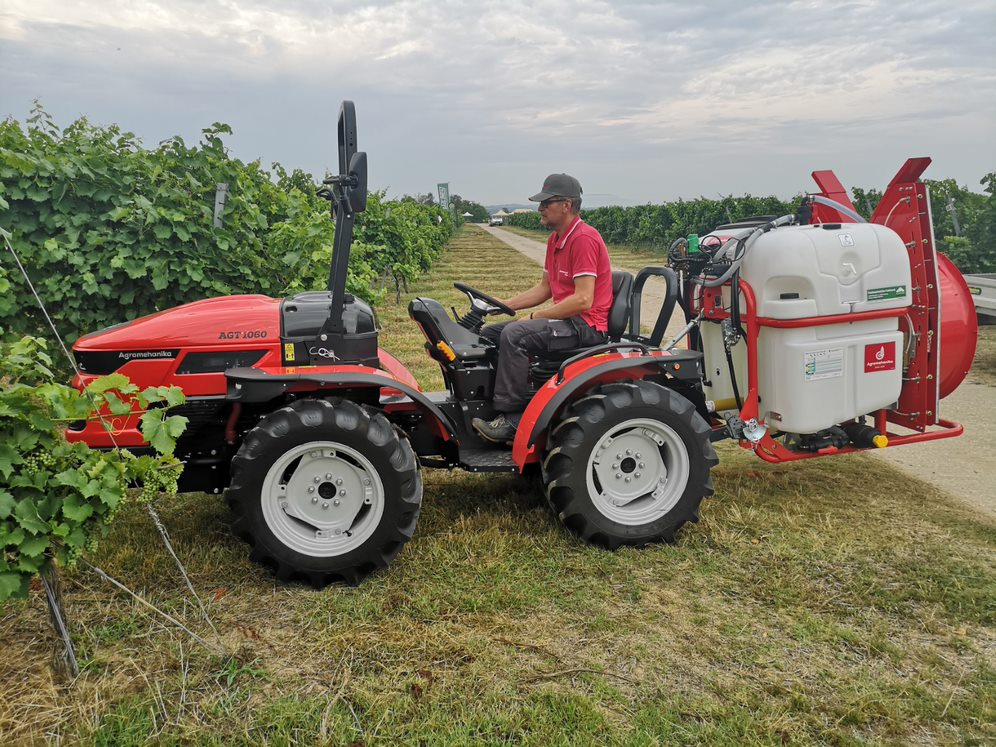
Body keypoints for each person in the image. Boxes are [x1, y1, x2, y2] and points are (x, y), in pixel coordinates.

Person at [472, 173, 613, 444]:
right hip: (569, 321)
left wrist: (537, 316)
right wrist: (502, 306)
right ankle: (500, 402)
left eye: (546, 203)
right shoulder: (555, 240)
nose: (540, 209)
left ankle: (513, 421)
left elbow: (583, 300)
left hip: (586, 325)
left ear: (566, 205)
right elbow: (544, 289)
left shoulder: (583, 239)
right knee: (490, 335)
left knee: (515, 335)